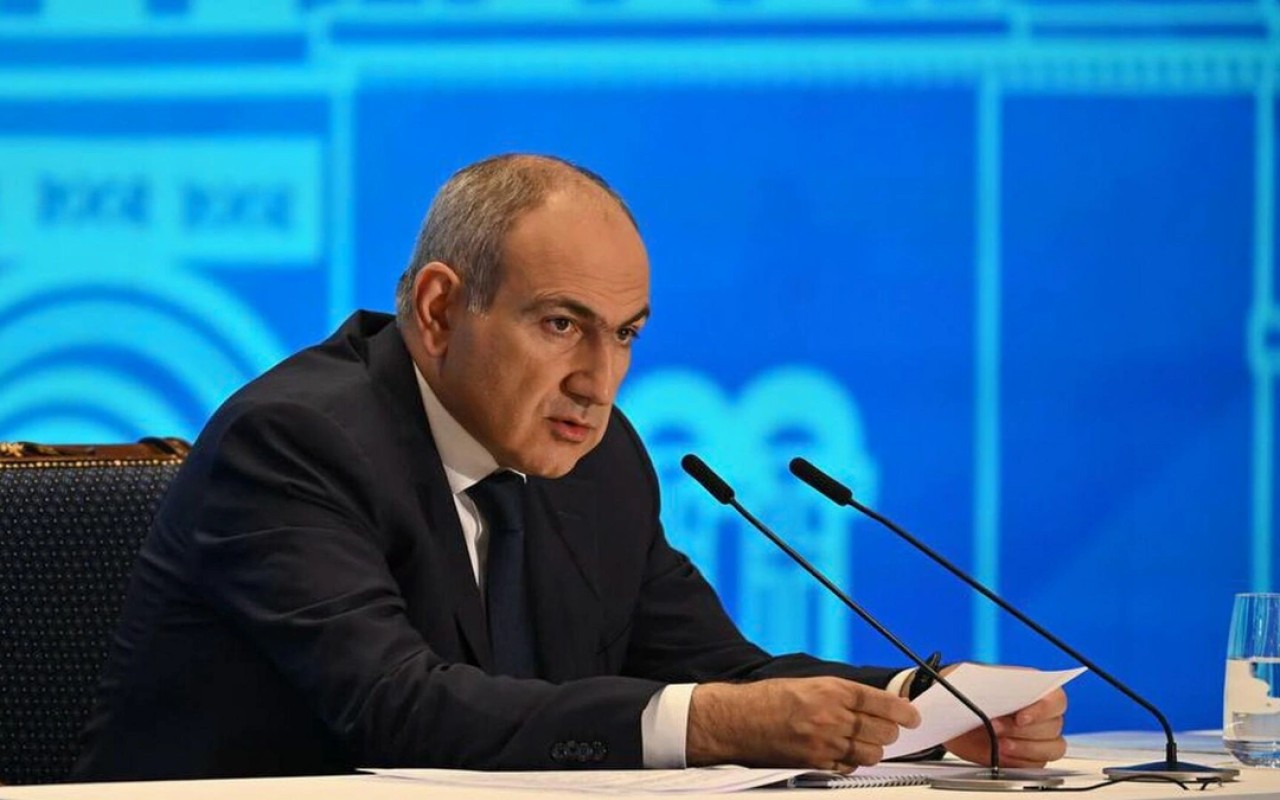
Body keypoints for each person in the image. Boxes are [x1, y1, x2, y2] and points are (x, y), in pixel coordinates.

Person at [74, 154, 1066, 780]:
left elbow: (717, 671)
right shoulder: (295, 441)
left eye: (624, 335)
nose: (598, 381)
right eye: (561, 325)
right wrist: (720, 725)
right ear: (438, 310)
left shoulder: (597, 459)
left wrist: (926, 702)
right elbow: (396, 706)